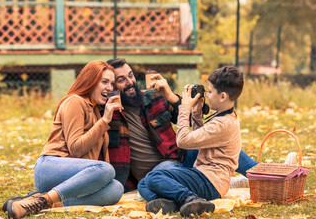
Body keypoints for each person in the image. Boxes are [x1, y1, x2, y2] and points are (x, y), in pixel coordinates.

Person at [105, 58, 257, 193]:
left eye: (131, 75)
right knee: (157, 175)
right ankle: (223, 184)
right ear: (112, 86)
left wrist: (171, 96)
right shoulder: (109, 114)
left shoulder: (152, 96)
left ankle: (261, 175)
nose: (130, 82)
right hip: (160, 171)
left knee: (220, 141)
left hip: (180, 158)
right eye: (121, 79)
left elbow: (188, 121)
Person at [3, 61, 124, 219]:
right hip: (50, 167)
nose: (109, 88)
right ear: (91, 81)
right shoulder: (75, 101)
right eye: (105, 82)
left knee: (116, 188)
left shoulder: (95, 111)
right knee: (106, 169)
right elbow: (76, 149)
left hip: (71, 176)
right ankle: (44, 199)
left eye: (112, 83)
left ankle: (38, 202)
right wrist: (105, 121)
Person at [139, 66, 244, 217]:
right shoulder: (225, 117)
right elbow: (199, 140)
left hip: (210, 182)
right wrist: (196, 113)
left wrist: (185, 108)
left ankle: (189, 198)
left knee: (153, 178)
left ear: (222, 97)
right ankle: (174, 203)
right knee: (143, 183)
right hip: (205, 177)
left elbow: (183, 141)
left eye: (210, 91)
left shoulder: (222, 124)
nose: (207, 95)